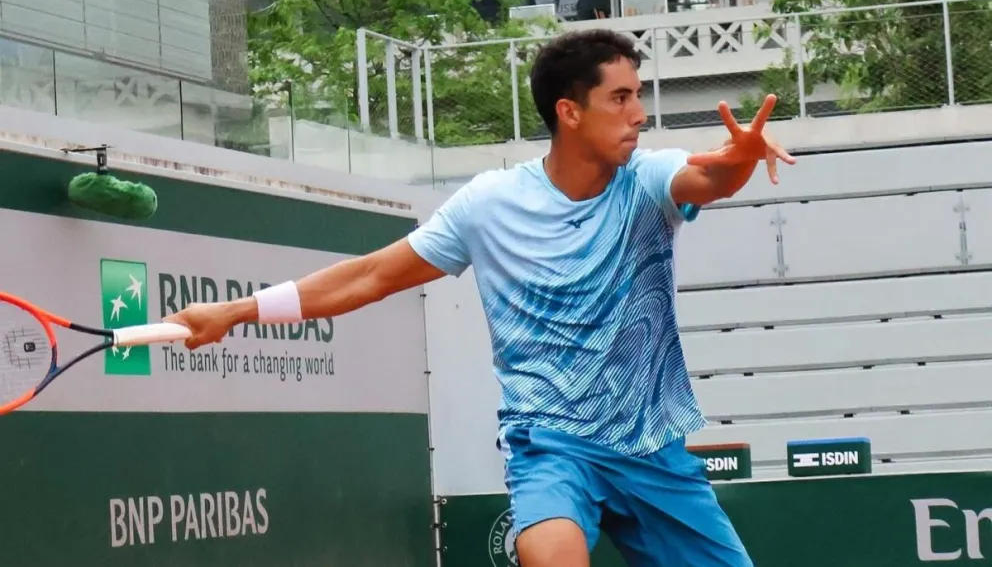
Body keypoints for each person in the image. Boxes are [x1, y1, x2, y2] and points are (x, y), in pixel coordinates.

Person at [165, 29, 794, 567]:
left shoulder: (649, 179)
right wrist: (233, 311)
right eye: (621, 98)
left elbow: (708, 177)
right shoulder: (488, 205)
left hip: (650, 444)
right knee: (551, 555)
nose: (639, 115)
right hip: (553, 442)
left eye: (637, 97)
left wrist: (738, 160)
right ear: (569, 112)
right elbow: (369, 276)